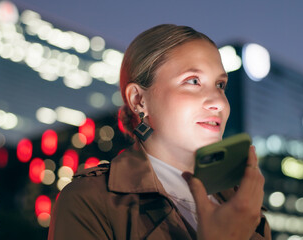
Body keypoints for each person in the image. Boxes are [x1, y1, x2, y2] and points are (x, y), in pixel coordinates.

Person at [48, 24, 271, 240]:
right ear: (138, 100)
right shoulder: (88, 201)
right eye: (193, 81)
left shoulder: (240, 201)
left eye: (220, 85)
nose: (219, 103)